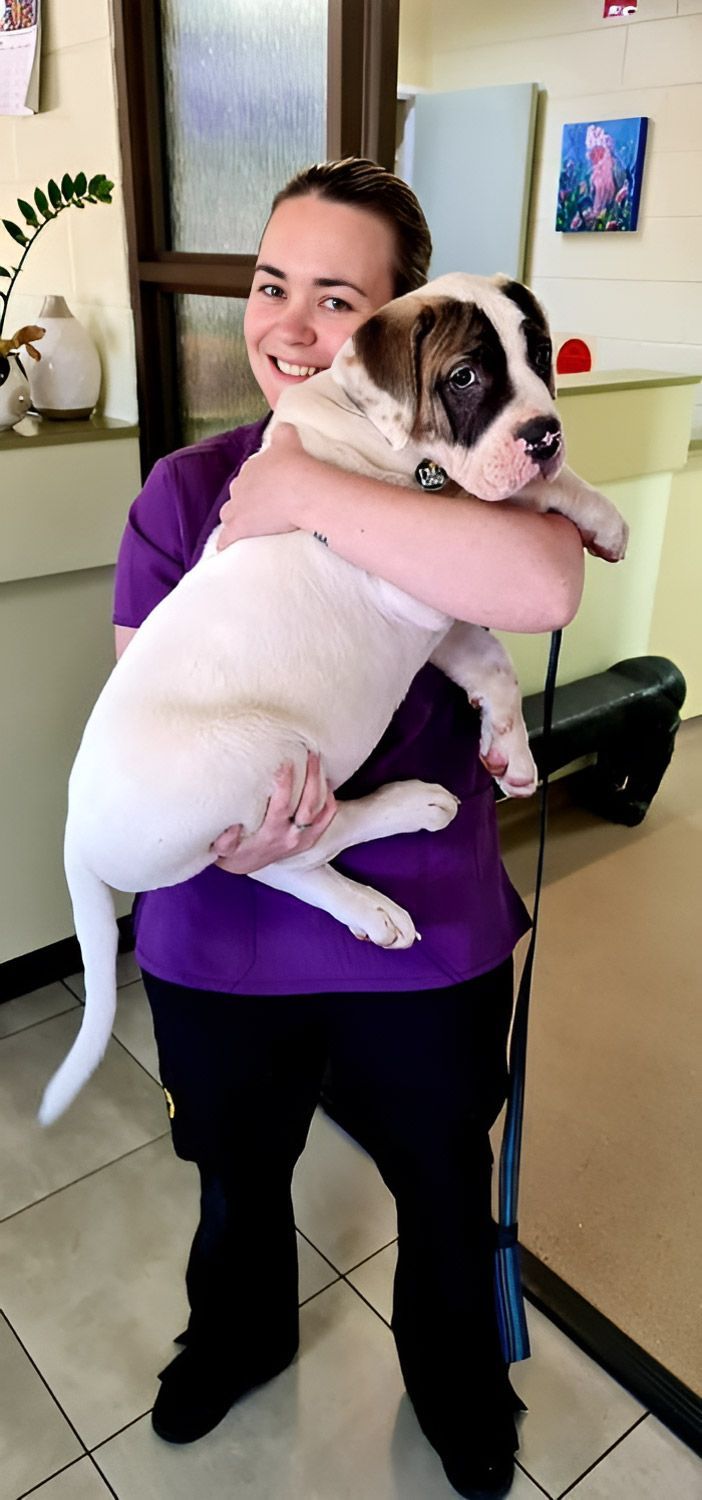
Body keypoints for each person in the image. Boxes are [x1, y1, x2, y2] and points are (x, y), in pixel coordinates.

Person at [113, 158, 584, 1499]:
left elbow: (545, 580)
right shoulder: (184, 487)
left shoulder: (462, 469)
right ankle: (239, 1333)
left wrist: (312, 494)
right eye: (272, 286)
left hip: (424, 935)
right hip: (219, 937)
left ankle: (453, 1382)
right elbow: (145, 704)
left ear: (412, 334)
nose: (289, 326)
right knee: (235, 1176)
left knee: (442, 1181)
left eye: (338, 299)